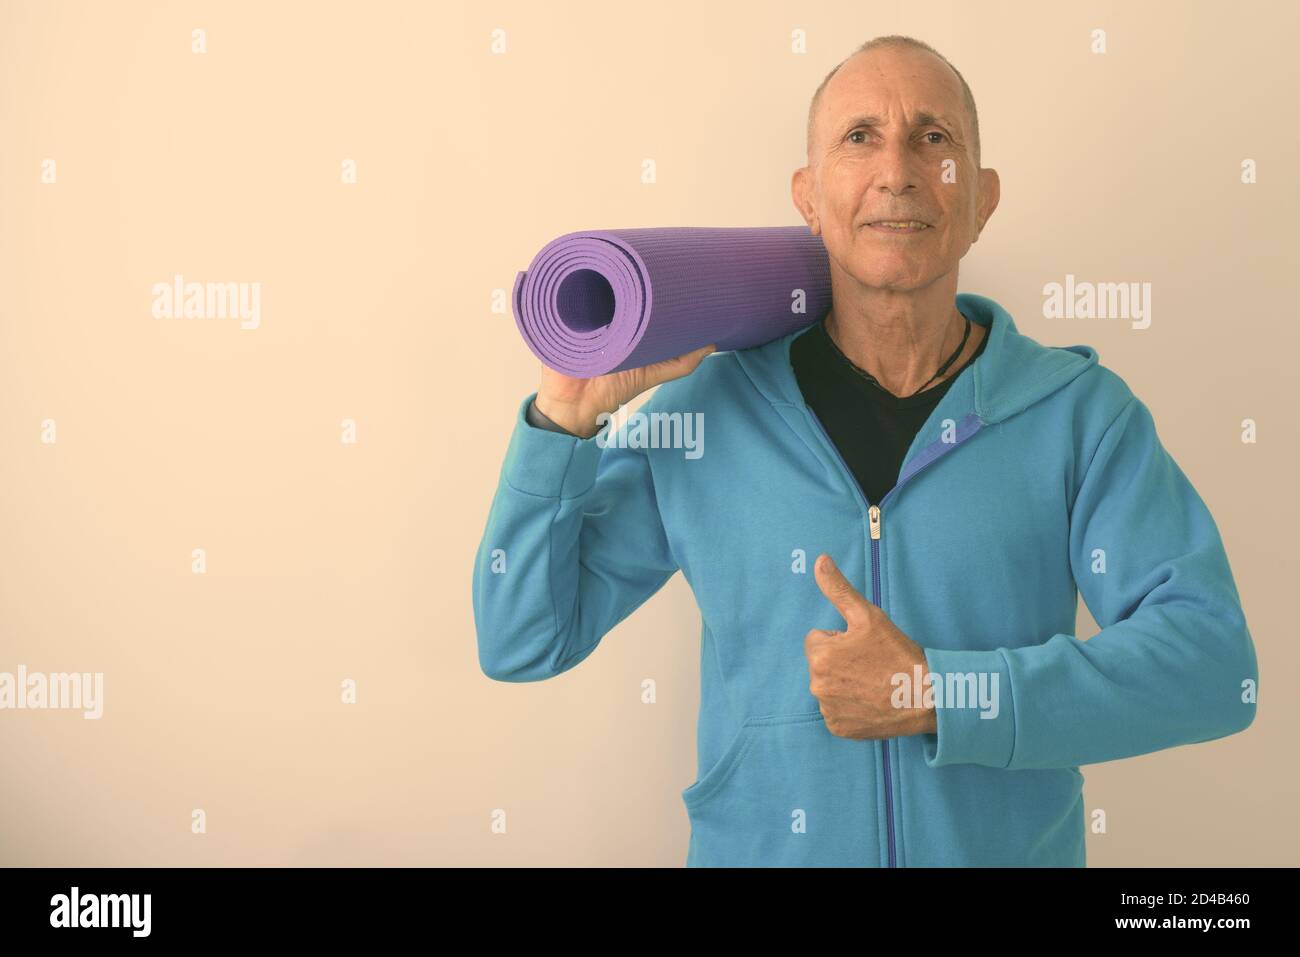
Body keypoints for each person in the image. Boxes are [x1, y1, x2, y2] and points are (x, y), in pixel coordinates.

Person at [471, 35, 1258, 866]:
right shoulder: (709, 415)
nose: (898, 171)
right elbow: (523, 638)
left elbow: (1210, 667)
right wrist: (563, 418)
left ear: (982, 198)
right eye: (859, 138)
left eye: (933, 138)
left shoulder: (1079, 416)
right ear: (808, 199)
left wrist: (937, 693)